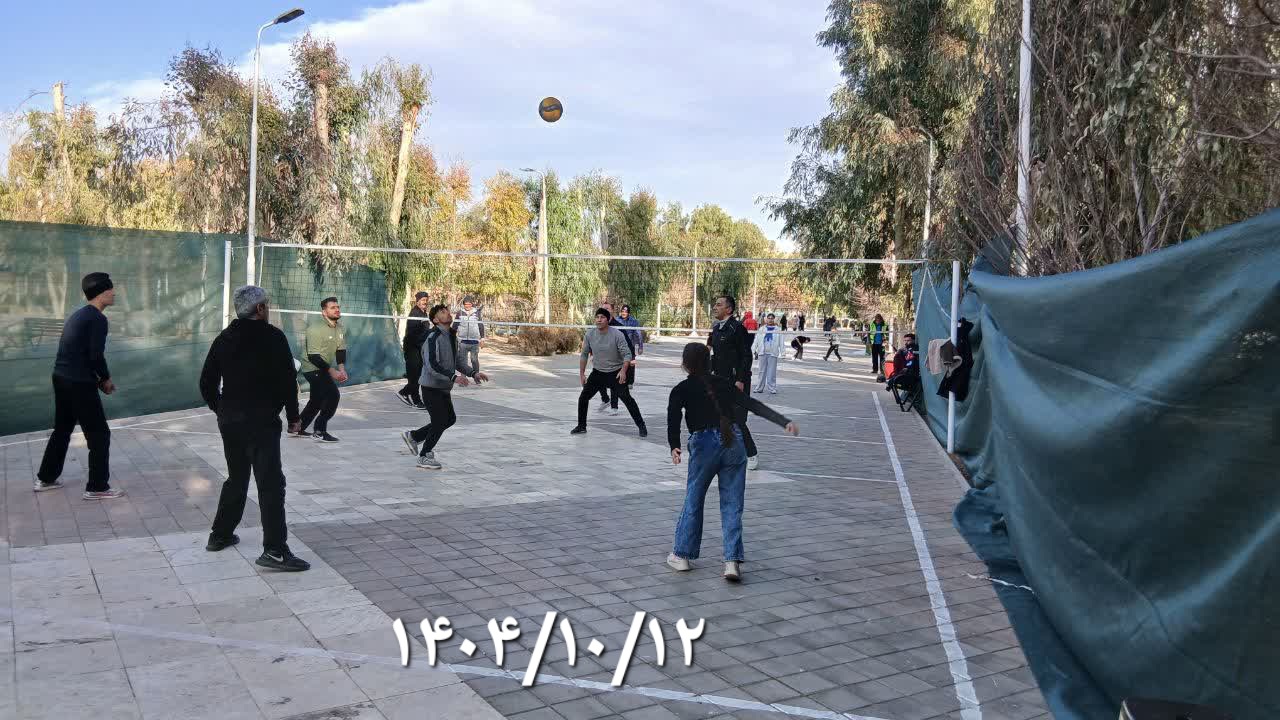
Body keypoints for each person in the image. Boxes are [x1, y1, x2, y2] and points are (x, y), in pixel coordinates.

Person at [199, 285, 310, 571]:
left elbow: (206, 382)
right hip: (261, 421)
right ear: (260, 309)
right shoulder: (273, 337)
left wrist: (221, 409)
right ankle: (275, 550)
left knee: (237, 477)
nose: (268, 308)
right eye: (267, 304)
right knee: (270, 484)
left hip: (230, 421)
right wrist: (294, 417)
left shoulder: (224, 338)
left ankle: (220, 535)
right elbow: (287, 382)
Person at [666, 343, 798, 582]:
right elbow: (752, 404)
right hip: (733, 442)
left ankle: (682, 556)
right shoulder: (724, 383)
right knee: (732, 505)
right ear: (709, 361)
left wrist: (674, 445)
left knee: (694, 499)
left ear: (685, 364)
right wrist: (783, 421)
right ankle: (731, 562)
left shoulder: (681, 389)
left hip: (704, 445)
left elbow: (673, 419)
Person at [34, 272, 125, 499]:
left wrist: (97, 380)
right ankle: (97, 488)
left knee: (62, 429)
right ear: (101, 293)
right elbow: (95, 356)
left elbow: (80, 354)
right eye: (110, 289)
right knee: (99, 434)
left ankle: (46, 478)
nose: (114, 293)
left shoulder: (79, 315)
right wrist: (105, 379)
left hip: (62, 377)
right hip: (78, 382)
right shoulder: (97, 319)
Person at [402, 304, 489, 470]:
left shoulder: (451, 336)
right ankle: (424, 455)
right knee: (440, 421)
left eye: (447, 311)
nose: (447, 313)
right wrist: (454, 377)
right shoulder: (432, 337)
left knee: (449, 419)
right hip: (430, 387)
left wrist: (473, 373)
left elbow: (457, 362)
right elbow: (432, 366)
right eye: (442, 312)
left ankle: (414, 436)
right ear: (435, 320)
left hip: (443, 387)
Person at [572, 308, 646, 436]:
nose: (599, 320)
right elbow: (584, 355)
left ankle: (641, 426)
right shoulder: (590, 334)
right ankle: (581, 426)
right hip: (598, 372)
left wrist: (623, 371)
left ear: (608, 320)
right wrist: (582, 374)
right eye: (597, 317)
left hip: (615, 373)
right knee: (583, 398)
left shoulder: (617, 334)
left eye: (602, 317)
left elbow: (627, 354)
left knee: (627, 399)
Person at [706, 294, 759, 470]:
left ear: (729, 309)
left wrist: (740, 379)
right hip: (720, 380)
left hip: (736, 381)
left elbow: (746, 356)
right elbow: (714, 355)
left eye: (719, 304)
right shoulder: (716, 328)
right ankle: (724, 453)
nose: (715, 307)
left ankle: (751, 454)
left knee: (737, 420)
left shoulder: (737, 329)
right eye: (715, 304)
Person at [297, 297, 346, 442]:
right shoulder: (315, 329)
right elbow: (313, 357)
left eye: (337, 307)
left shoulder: (340, 328)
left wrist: (342, 369)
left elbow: (340, 351)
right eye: (332, 307)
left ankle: (296, 427)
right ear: (324, 312)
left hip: (323, 368)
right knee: (333, 395)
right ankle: (319, 431)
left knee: (316, 401)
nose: (337, 310)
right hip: (311, 368)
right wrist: (332, 371)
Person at [397, 291, 431, 408]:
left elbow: (424, 332)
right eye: (423, 300)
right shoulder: (414, 313)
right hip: (412, 348)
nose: (425, 302)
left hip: (419, 348)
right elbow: (412, 334)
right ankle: (414, 399)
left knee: (418, 376)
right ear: (417, 301)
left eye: (426, 300)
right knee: (415, 376)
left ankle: (406, 393)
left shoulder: (423, 313)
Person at [611, 304, 644, 412]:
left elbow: (638, 334)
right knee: (617, 368)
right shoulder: (616, 320)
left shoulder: (633, 321)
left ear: (628, 313)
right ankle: (614, 404)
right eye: (622, 311)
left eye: (625, 311)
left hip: (630, 345)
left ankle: (630, 381)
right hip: (619, 347)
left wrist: (640, 347)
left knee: (631, 364)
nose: (624, 313)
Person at [452, 296, 485, 386]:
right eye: (466, 304)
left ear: (472, 304)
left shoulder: (477, 313)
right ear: (463, 304)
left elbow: (480, 326)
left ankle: (477, 378)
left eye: (469, 304)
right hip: (463, 342)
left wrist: (482, 339)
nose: (467, 306)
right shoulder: (460, 313)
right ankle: (463, 380)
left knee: (474, 360)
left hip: (474, 341)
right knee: (463, 362)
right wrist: (451, 336)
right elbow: (455, 325)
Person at [751, 313, 784, 394]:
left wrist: (783, 353)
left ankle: (772, 388)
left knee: (772, 372)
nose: (770, 320)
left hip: (773, 353)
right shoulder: (762, 329)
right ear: (766, 319)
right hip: (762, 352)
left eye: (772, 318)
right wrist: (753, 350)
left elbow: (781, 342)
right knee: (761, 371)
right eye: (769, 318)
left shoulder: (778, 329)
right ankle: (759, 388)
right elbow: (756, 340)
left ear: (774, 319)